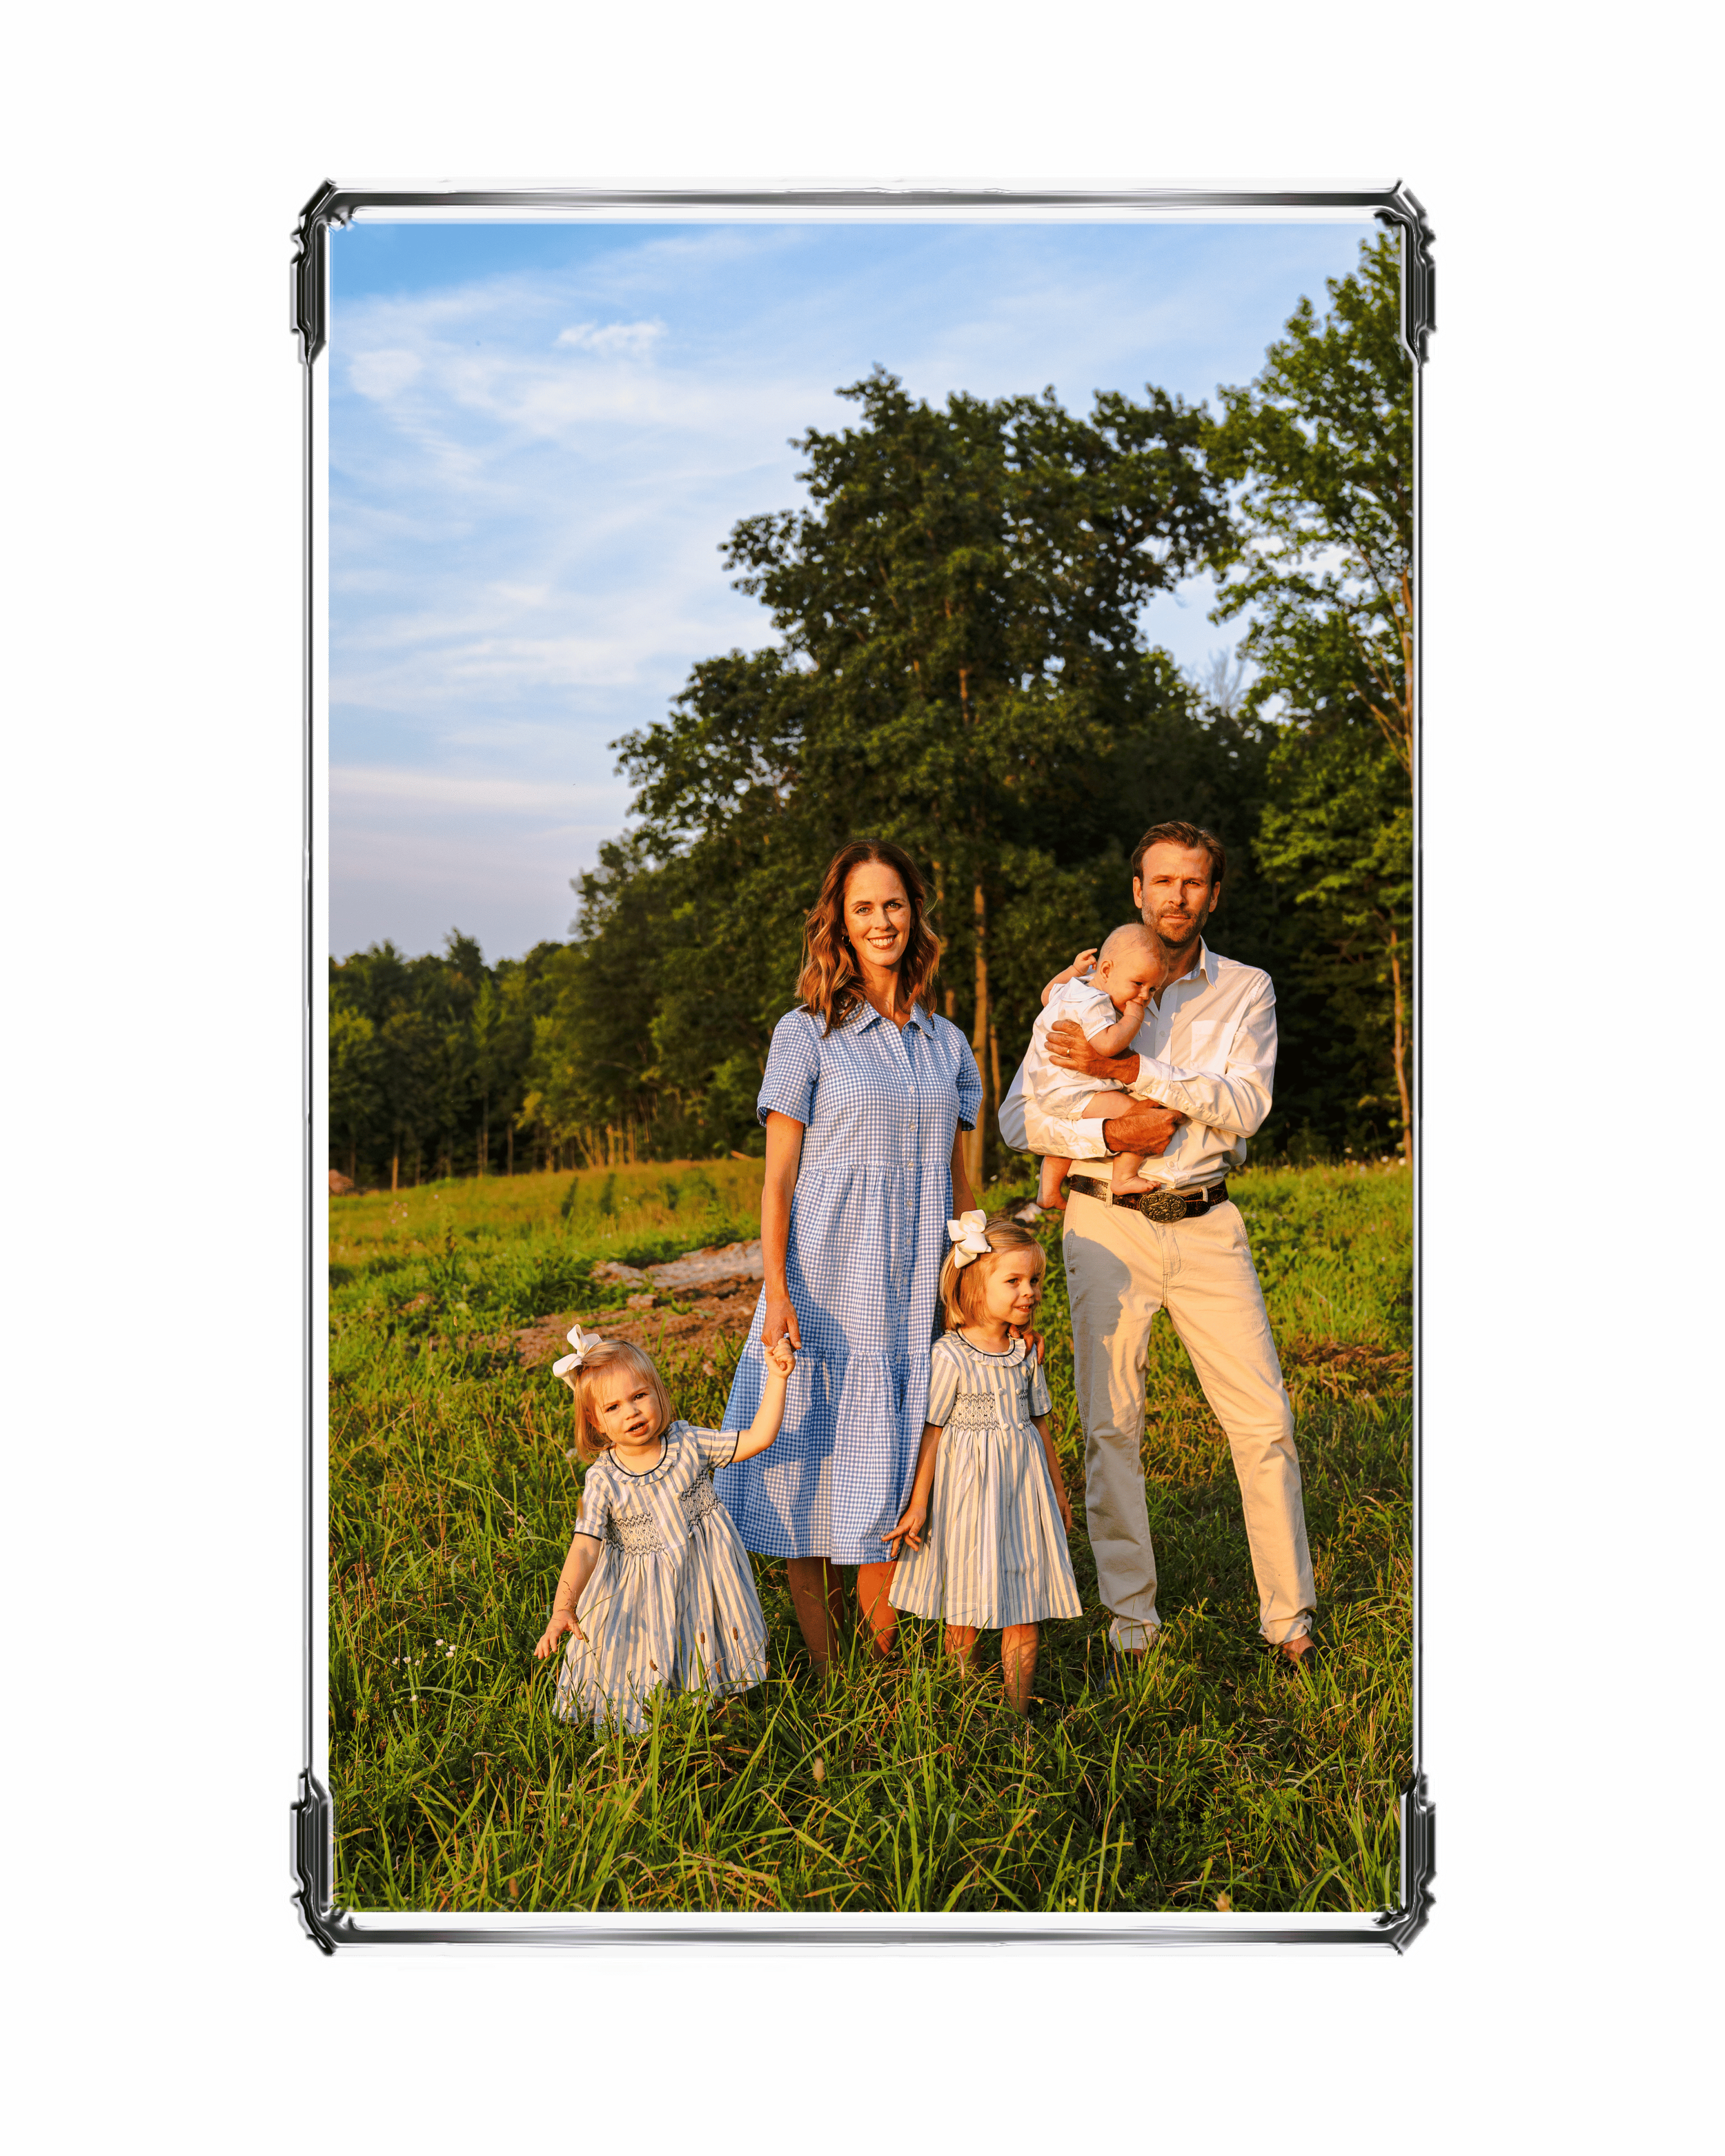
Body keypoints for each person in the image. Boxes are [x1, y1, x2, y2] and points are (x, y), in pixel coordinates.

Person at [998, 820, 1319, 1675]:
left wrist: (1134, 1075)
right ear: (1136, 889)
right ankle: (1132, 1625)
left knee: (1264, 1423)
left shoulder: (1245, 988)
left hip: (1210, 1221)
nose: (1177, 895)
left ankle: (1289, 1621)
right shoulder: (1075, 992)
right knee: (1112, 1429)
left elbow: (1245, 1105)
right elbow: (1017, 1117)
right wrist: (1115, 1130)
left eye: (1194, 882)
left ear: (1213, 894)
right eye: (1161, 881)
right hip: (1104, 1220)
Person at [715, 840, 981, 1678]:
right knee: (815, 1474)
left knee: (896, 1474)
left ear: (915, 915)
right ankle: (832, 1679)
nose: (881, 921)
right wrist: (777, 1289)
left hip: (912, 1293)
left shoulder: (947, 1044)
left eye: (894, 904)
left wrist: (972, 1294)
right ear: (839, 922)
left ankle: (886, 1667)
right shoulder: (805, 1035)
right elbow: (779, 1179)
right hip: (826, 1283)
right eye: (863, 907)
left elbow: (961, 1185)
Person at [533, 1327, 796, 1733]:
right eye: (614, 1407)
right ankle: (646, 1725)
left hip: (704, 1575)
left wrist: (777, 1379)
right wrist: (563, 1607)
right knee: (641, 1653)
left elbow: (758, 1438)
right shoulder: (601, 1481)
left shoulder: (689, 1443)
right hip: (638, 1591)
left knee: (703, 1637)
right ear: (595, 1421)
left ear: (657, 1392)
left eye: (639, 1396)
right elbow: (584, 1547)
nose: (632, 1413)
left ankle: (715, 1712)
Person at [887, 1214, 1082, 1714]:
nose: (1030, 1291)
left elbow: (1042, 1425)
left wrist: (1059, 1495)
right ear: (975, 1285)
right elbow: (932, 1432)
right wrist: (918, 1504)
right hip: (968, 1498)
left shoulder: (1024, 1355)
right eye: (1014, 1280)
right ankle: (966, 1704)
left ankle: (1017, 1715)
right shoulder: (950, 1355)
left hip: (1023, 1491)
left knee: (1026, 1605)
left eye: (1035, 1281)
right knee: (965, 1608)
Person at [1027, 924, 1165, 1211]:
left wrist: (1073, 971)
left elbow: (1046, 995)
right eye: (1138, 984)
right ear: (1105, 971)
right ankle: (1124, 1177)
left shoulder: (1075, 989)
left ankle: (1048, 1191)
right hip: (1078, 1091)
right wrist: (1134, 1019)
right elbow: (1107, 1045)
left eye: (1153, 989)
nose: (1144, 995)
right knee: (1137, 1114)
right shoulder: (1096, 1003)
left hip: (1052, 1088)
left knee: (1069, 1136)